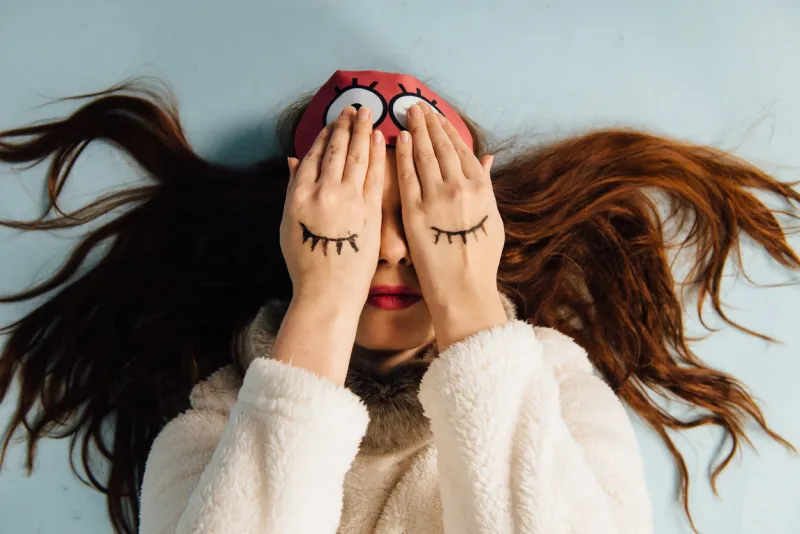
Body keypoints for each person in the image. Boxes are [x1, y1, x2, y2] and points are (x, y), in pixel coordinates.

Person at [0, 70, 796, 534]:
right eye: (351, 213)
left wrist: (466, 294)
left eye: (421, 210)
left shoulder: (556, 397)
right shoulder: (211, 431)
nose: (387, 247)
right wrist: (322, 300)